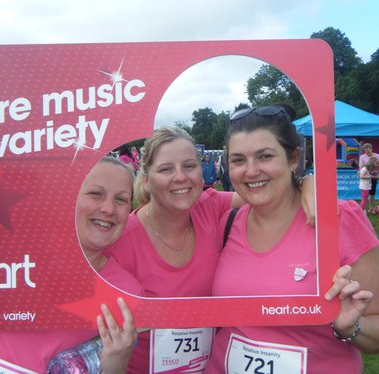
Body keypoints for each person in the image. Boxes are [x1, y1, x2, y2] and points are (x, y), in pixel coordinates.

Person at [106, 126, 316, 373]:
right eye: (166, 169)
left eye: (189, 166)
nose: (180, 177)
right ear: (147, 180)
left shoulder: (210, 206)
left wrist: (307, 182)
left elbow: (268, 193)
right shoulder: (121, 241)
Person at [0, 149, 143, 373]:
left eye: (121, 199)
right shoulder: (2, 240)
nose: (108, 208)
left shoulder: (125, 292)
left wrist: (117, 363)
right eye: (95, 194)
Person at [205, 105, 379, 373]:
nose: (250, 171)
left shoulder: (338, 218)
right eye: (238, 160)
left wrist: (350, 326)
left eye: (264, 156)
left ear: (294, 158)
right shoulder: (227, 221)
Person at [359, 143, 379, 214]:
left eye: (368, 150)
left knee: (372, 193)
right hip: (366, 176)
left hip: (374, 176)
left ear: (371, 149)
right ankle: (362, 209)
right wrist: (367, 170)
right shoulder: (362, 157)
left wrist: (375, 173)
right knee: (365, 194)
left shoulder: (377, 156)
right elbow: (361, 167)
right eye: (365, 151)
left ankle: (371, 208)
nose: (367, 152)